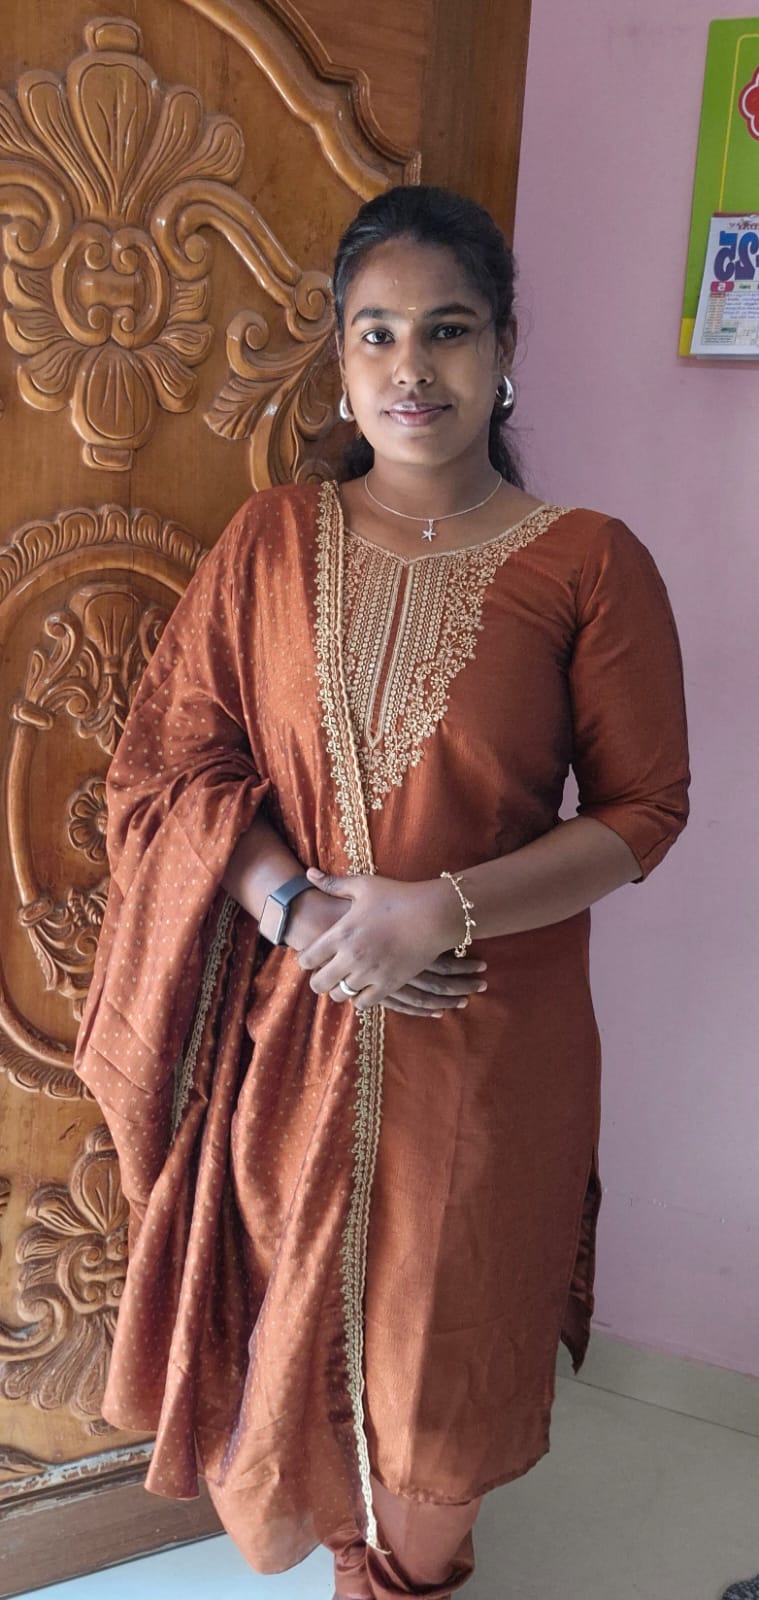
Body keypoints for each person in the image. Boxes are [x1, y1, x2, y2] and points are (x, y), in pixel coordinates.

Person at [74, 185, 690, 1600]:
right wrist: (297, 910)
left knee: (439, 1381)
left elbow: (646, 812)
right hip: (292, 1043)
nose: (413, 366)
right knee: (296, 1344)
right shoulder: (270, 541)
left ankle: (408, 1576)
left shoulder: (589, 561)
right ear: (342, 360)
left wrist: (437, 910)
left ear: (505, 348)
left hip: (487, 1047)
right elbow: (174, 767)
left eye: (449, 330)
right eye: (378, 333)